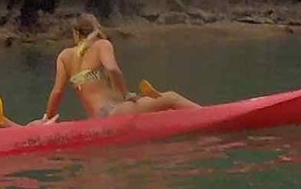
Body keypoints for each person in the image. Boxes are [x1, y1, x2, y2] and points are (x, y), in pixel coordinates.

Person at [39, 13, 201, 122]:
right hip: (111, 112)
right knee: (171, 97)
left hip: (97, 117)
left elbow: (58, 92)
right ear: (96, 29)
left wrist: (48, 119)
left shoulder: (64, 56)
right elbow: (113, 70)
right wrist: (126, 94)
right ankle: (211, 116)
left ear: (75, 33)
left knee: (160, 108)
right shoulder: (102, 45)